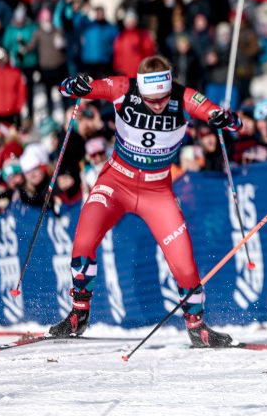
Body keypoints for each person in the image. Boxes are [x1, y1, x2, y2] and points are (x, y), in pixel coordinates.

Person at [48, 55, 241, 346]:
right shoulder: (122, 88)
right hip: (115, 182)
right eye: (151, 99)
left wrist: (223, 119)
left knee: (185, 264)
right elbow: (65, 90)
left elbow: (235, 123)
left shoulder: (184, 97)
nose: (158, 104)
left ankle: (197, 326)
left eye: (162, 98)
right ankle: (79, 313)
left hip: (156, 191)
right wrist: (76, 84)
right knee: (83, 242)